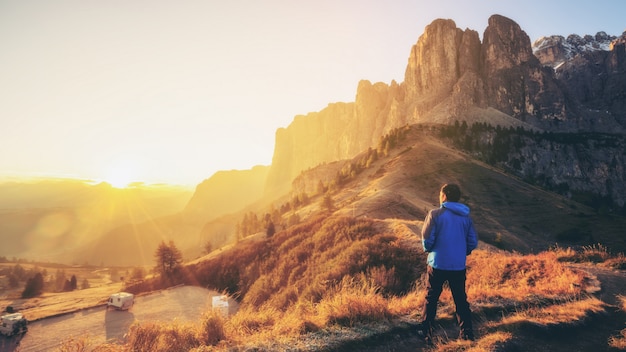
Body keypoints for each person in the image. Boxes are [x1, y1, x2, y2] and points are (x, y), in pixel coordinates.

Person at [417, 183, 478, 344]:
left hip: (437, 263)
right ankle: (467, 334)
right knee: (460, 299)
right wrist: (461, 253)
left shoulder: (435, 214)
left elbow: (427, 238)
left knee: (431, 298)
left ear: (444, 196)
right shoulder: (466, 217)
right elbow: (472, 241)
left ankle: (426, 332)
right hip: (458, 265)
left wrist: (428, 249)